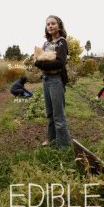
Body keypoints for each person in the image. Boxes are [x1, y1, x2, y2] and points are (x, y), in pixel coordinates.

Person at [33, 15, 71, 148]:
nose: (50, 26)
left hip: (56, 80)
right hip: (46, 79)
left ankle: (63, 146)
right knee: (49, 114)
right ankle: (51, 139)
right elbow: (39, 59)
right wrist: (41, 62)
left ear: (59, 26)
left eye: (53, 23)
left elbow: (59, 63)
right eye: (48, 24)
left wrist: (40, 64)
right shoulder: (46, 44)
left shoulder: (61, 42)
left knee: (58, 116)